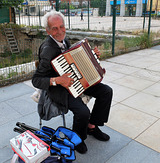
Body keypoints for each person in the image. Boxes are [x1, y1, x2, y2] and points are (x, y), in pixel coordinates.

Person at [32, 10, 113, 154]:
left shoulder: (64, 40)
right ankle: (77, 139)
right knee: (82, 111)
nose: (59, 31)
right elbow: (36, 80)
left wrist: (93, 57)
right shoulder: (47, 49)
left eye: (61, 26)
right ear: (48, 30)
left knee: (106, 91)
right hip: (59, 89)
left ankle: (91, 126)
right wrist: (58, 80)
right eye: (54, 28)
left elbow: (73, 62)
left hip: (75, 81)